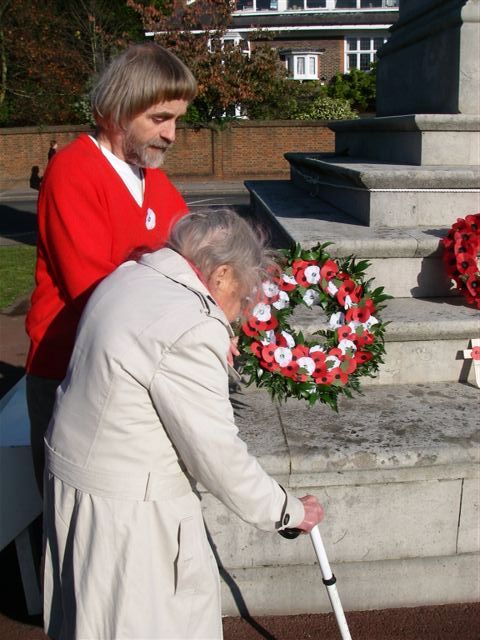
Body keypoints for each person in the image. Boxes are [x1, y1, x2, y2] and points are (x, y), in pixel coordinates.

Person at [43, 209, 324, 640]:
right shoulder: (191, 326)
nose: (240, 311)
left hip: (81, 486)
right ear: (222, 274)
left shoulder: (132, 275)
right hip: (129, 520)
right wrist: (286, 510)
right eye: (244, 295)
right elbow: (218, 457)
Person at [25, 43, 197, 493]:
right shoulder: (73, 170)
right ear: (119, 109)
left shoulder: (150, 177)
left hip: (126, 369)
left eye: (177, 119)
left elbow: (192, 254)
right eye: (160, 119)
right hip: (69, 369)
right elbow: (96, 289)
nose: (172, 134)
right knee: (70, 515)